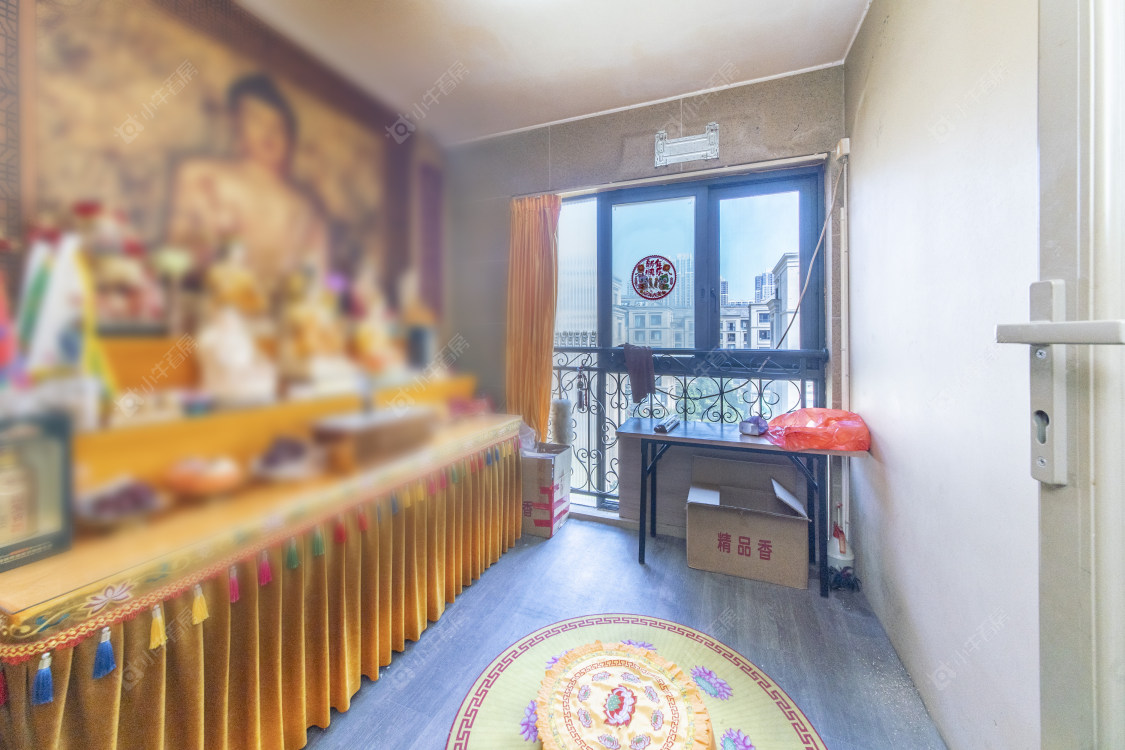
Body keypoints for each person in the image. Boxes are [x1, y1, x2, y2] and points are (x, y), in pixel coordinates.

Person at [167, 73, 328, 292]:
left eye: (278, 125)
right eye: (257, 119)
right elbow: (177, 249)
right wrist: (204, 246)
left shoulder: (307, 211)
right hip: (210, 297)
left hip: (276, 308)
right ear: (236, 123)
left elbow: (315, 285)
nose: (269, 132)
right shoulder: (200, 175)